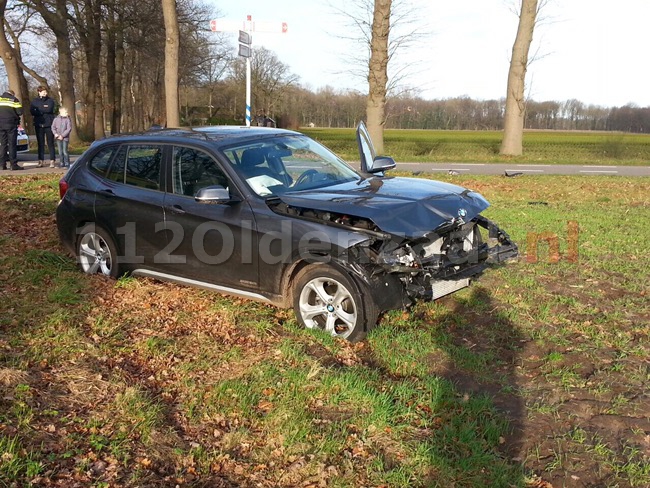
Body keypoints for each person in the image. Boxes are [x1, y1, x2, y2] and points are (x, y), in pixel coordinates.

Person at [30, 85, 57, 167]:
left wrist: (38, 109)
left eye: (46, 91)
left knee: (50, 143)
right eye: (43, 91)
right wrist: (41, 110)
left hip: (48, 124)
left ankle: (52, 160)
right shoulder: (34, 101)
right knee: (40, 143)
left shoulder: (50, 100)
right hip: (38, 124)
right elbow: (32, 111)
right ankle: (40, 160)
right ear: (39, 92)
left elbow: (49, 109)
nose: (45, 93)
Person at [0, 89, 24, 171]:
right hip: (11, 124)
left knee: (3, 144)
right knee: (12, 144)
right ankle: (13, 165)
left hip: (0, 124)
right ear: (12, 94)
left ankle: (2, 164)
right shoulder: (14, 100)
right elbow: (20, 112)